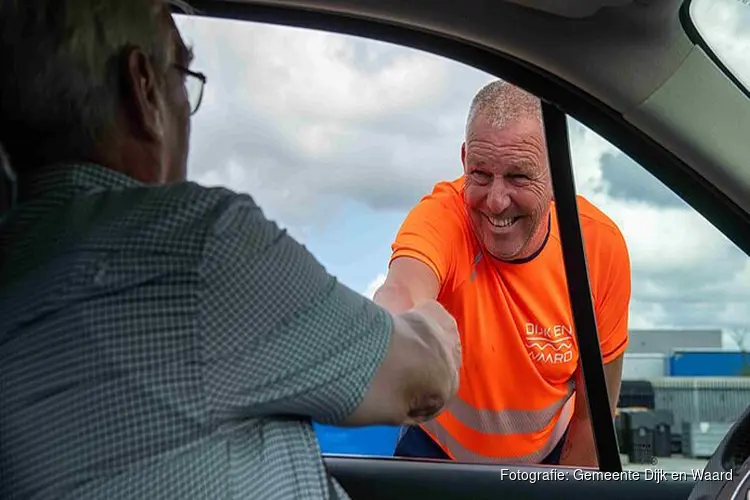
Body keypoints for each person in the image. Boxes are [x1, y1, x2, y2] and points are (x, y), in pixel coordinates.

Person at [0, 1, 462, 499]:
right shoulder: (195, 247)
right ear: (143, 88)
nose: (186, 105)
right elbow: (424, 375)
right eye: (183, 75)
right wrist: (433, 324)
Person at [373, 80, 631, 467]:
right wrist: (387, 332)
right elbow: (402, 291)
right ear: (464, 160)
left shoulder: (598, 248)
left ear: (556, 173)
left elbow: (594, 415)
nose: (495, 202)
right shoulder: (443, 216)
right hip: (435, 455)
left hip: (545, 461)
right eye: (480, 173)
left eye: (518, 176)